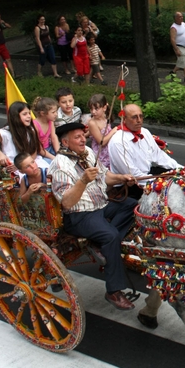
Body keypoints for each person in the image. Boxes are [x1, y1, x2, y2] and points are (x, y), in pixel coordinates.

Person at [49, 121, 137, 310]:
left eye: (83, 135)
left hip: (102, 205)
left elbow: (105, 177)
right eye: (77, 137)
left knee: (132, 206)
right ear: (65, 142)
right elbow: (66, 202)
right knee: (111, 236)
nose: (83, 139)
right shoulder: (60, 165)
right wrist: (82, 181)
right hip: (80, 215)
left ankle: (104, 245)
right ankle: (113, 291)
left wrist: (122, 178)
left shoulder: (88, 153)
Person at [108, 104, 180, 199]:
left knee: (177, 178)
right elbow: (132, 174)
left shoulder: (144, 132)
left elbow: (159, 156)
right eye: (134, 117)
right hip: (130, 185)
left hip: (147, 174)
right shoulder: (118, 141)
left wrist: (180, 169)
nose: (139, 120)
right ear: (124, 119)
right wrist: (157, 182)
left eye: (141, 116)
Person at [0, 101, 51, 174]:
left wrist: (24, 164)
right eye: (24, 114)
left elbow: (34, 151)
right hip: (11, 167)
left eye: (29, 113)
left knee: (48, 173)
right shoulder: (4, 133)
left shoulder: (31, 130)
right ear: (16, 116)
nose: (29, 116)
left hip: (30, 162)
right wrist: (0, 155)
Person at [87, 94, 118, 170]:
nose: (93, 112)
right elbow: (101, 142)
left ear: (104, 108)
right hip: (101, 154)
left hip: (110, 150)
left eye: (96, 109)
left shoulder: (105, 117)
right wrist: (113, 131)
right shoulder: (92, 122)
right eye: (91, 109)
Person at [169, 11, 185, 83]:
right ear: (176, 18)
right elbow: (172, 39)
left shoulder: (183, 24)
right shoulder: (173, 27)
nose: (181, 18)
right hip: (179, 45)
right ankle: (173, 72)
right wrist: (176, 49)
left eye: (182, 16)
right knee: (182, 60)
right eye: (179, 17)